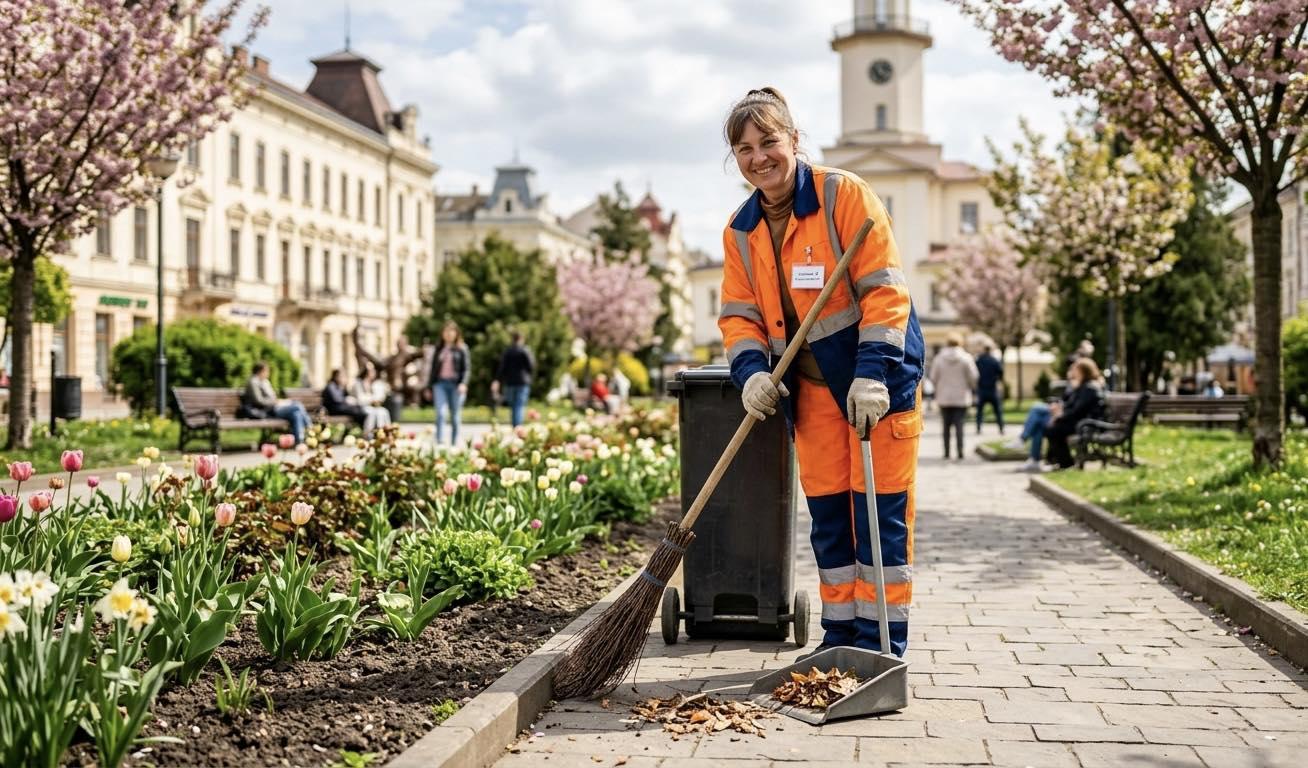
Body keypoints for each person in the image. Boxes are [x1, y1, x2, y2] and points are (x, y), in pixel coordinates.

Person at [717, 88, 923, 660]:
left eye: (768, 141)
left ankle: (882, 646)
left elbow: (884, 289)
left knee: (877, 522)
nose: (759, 156)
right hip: (811, 397)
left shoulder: (843, 195)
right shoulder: (740, 230)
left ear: (793, 140)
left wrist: (873, 373)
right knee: (832, 522)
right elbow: (739, 316)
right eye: (744, 147)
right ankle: (839, 640)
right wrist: (752, 372)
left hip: (873, 388)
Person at [1043, 357, 1107, 470]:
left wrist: (1060, 416)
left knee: (1053, 430)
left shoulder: (1090, 387)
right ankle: (1059, 461)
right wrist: (1059, 414)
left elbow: (1078, 410)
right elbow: (1071, 406)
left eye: (1076, 370)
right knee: (1052, 428)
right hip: (1081, 422)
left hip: (1088, 425)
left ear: (1083, 371)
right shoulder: (1083, 386)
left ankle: (1065, 463)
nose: (1073, 372)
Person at [928, 334, 979, 460]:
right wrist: (970, 387)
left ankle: (946, 452)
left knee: (945, 426)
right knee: (959, 425)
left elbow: (933, 377)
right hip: (961, 397)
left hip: (944, 397)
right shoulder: (966, 358)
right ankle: (960, 451)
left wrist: (939, 387)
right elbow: (974, 377)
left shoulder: (939, 358)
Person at [240, 361, 311, 445]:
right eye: (267, 371)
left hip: (275, 407)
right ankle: (311, 430)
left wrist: (279, 401)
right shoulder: (253, 382)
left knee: (297, 414)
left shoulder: (265, 382)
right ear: (260, 371)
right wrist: (275, 402)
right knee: (297, 406)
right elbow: (259, 401)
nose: (268, 373)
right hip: (268, 410)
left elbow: (272, 397)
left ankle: (300, 441)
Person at [428, 321, 470, 445]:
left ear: (456, 333)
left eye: (451, 331)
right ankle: (440, 441)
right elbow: (433, 369)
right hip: (440, 384)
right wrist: (429, 386)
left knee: (455, 415)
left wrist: (463, 383)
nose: (448, 334)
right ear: (442, 333)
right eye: (446, 331)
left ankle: (454, 442)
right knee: (441, 413)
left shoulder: (462, 348)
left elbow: (466, 369)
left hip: (456, 385)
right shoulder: (438, 348)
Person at [491, 331, 536, 427]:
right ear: (521, 339)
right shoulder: (525, 350)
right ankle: (518, 427)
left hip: (510, 382)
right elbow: (531, 366)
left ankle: (514, 425)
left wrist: (497, 380)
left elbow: (502, 368)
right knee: (519, 406)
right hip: (522, 382)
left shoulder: (508, 351)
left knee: (513, 406)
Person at [338, 367, 391, 437]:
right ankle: (369, 434)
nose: (374, 374)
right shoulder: (358, 383)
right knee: (372, 413)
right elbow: (360, 399)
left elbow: (378, 396)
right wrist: (372, 399)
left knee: (383, 411)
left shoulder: (373, 384)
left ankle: (386, 433)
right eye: (372, 372)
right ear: (367, 373)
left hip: (371, 406)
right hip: (359, 406)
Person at [974, 344, 1005, 435]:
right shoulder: (994, 361)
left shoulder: (979, 360)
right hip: (992, 389)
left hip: (982, 389)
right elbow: (1001, 372)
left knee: (980, 411)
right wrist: (997, 380)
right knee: (998, 411)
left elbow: (974, 373)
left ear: (984, 350)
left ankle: (979, 428)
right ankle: (1001, 428)